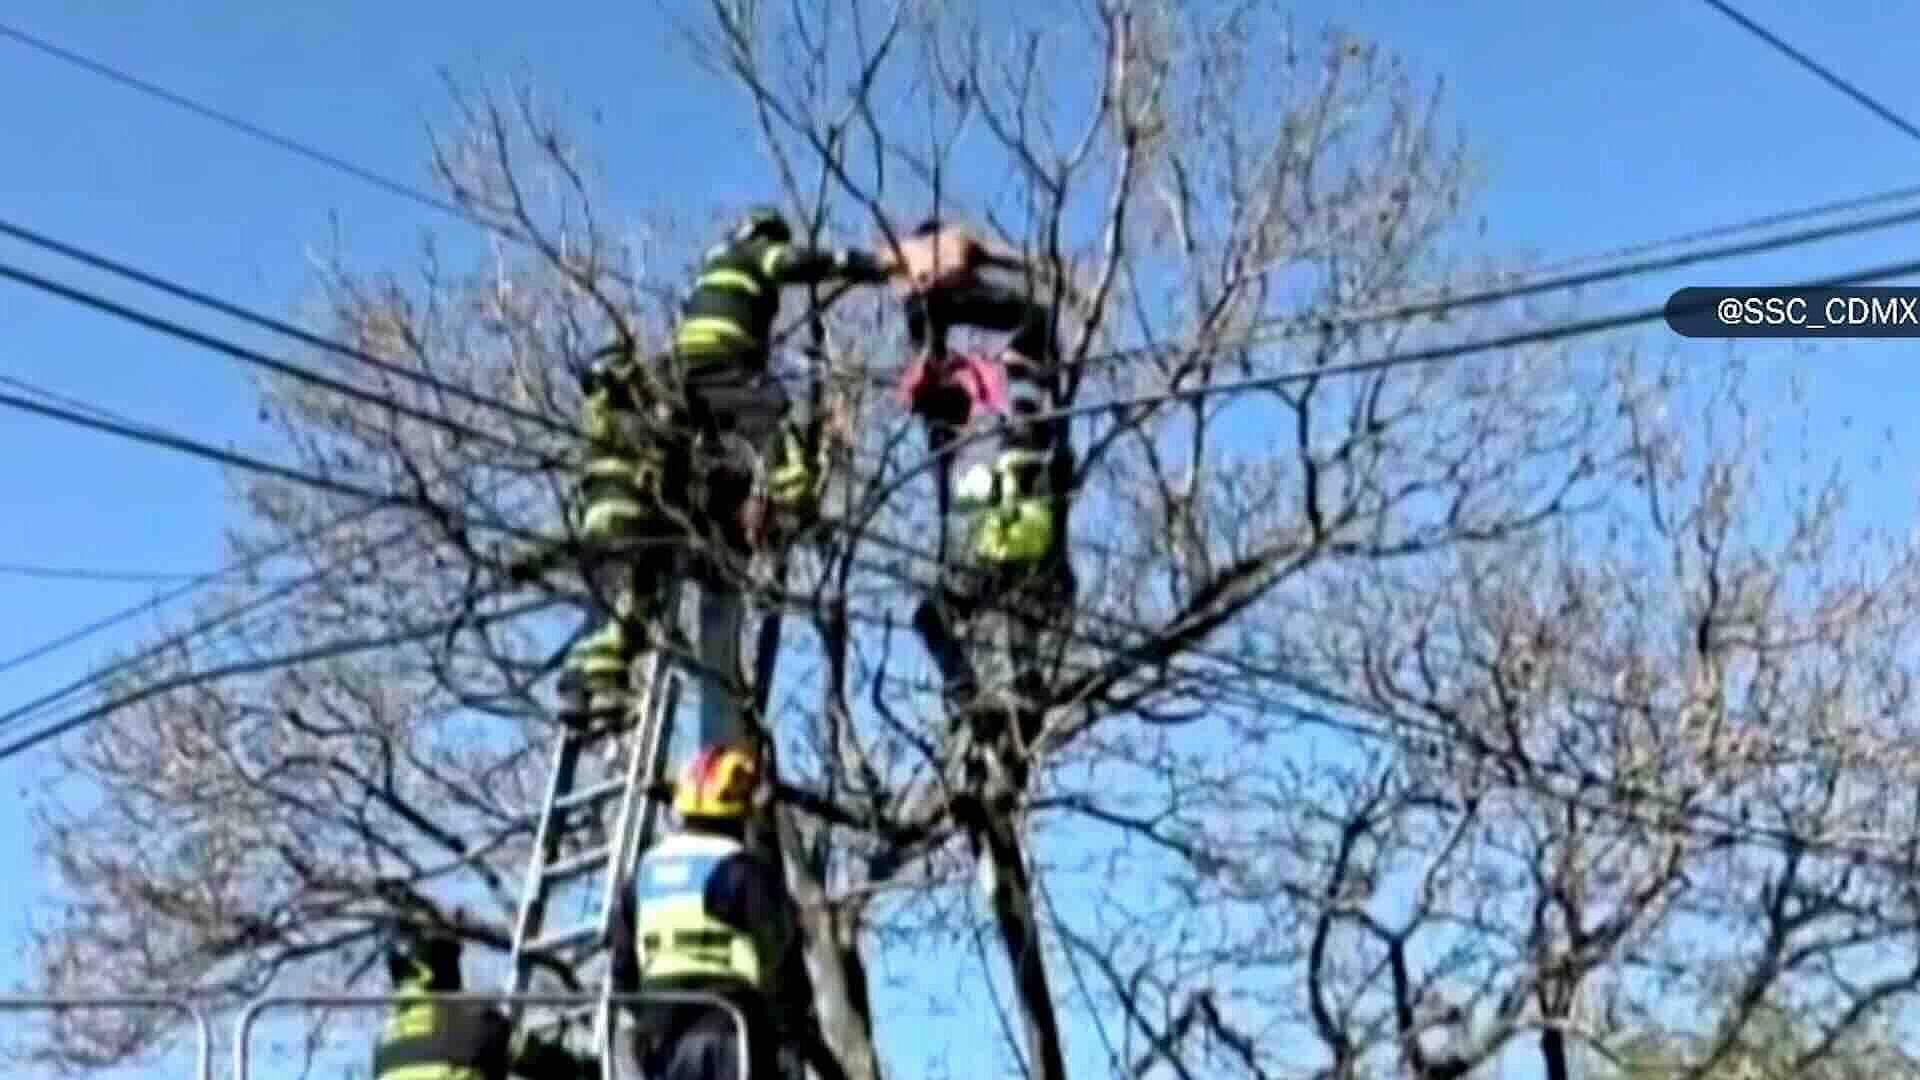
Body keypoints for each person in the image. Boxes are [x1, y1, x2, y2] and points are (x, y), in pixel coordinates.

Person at [553, 208, 899, 731]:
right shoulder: (752, 254)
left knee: (668, 511)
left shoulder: (709, 275)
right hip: (722, 364)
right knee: (770, 413)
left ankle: (589, 688)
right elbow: (793, 263)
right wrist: (866, 264)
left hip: (680, 380)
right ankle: (785, 497)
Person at [892, 219, 1076, 781]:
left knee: (934, 616)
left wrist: (928, 310)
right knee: (1018, 617)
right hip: (1026, 544)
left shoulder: (970, 394)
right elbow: (1037, 321)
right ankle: (1006, 711)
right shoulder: (1033, 403)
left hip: (979, 546)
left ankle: (970, 696)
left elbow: (923, 393)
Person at [607, 740, 804, 1080]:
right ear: (741, 809)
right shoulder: (742, 871)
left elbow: (622, 969)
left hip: (657, 1044)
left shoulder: (644, 873)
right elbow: (782, 966)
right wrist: (789, 1040)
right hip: (729, 1040)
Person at [371, 923, 600, 1080]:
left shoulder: (383, 1043)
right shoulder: (470, 1020)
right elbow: (539, 1060)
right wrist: (584, 1069)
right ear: (435, 969)